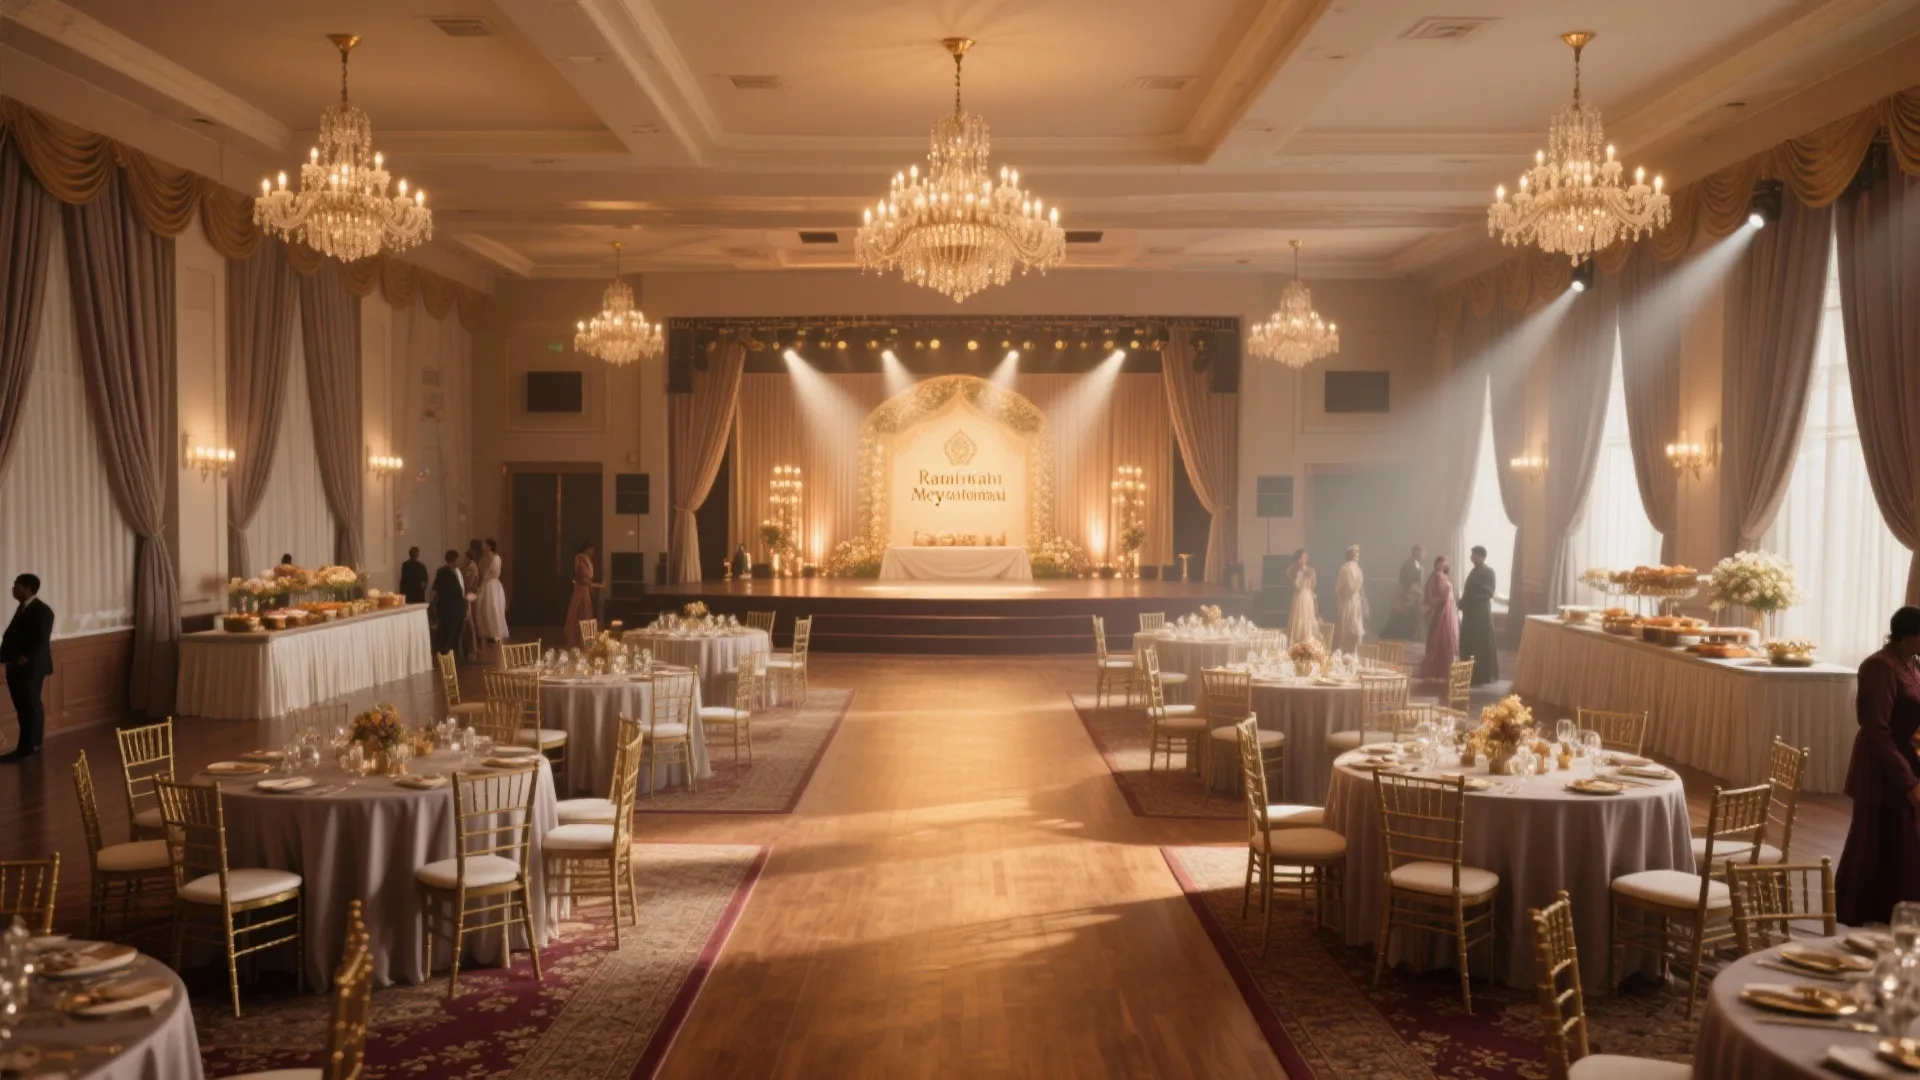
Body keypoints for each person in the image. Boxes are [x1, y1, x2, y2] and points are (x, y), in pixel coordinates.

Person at [1836, 607, 1920, 926]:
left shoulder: (1911, 664)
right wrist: (1908, 781)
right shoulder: (1878, 666)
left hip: (1905, 767)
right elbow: (1876, 729)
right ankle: (1863, 920)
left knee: (1902, 848)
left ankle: (1894, 920)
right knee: (1875, 846)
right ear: (1910, 635)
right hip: (1881, 771)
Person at [1, 574, 55, 762]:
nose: (13, 589)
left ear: (28, 589)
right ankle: (28, 746)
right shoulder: (23, 608)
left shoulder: (43, 611)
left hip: (30, 669)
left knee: (30, 706)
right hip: (16, 667)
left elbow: (41, 640)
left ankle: (29, 747)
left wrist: (23, 658)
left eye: (17, 585)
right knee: (24, 707)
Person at [1459, 545, 1500, 686]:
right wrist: (1461, 603)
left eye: (1474, 555)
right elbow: (1467, 590)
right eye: (1472, 555)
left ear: (1481, 556)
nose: (1472, 557)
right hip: (1469, 614)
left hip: (1481, 615)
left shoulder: (1489, 572)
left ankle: (1483, 676)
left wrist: (1471, 598)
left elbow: (1489, 592)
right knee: (1468, 643)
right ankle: (1468, 674)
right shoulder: (1473, 571)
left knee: (1482, 644)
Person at [1416, 556, 1458, 681]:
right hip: (1444, 607)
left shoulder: (1442, 575)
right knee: (1441, 634)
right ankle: (1439, 667)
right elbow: (1436, 593)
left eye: (1446, 561)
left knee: (1447, 635)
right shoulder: (1437, 576)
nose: (1444, 564)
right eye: (1442, 562)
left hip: (1448, 607)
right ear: (1437, 563)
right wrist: (1445, 599)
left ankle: (1444, 666)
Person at [1381, 544, 1425, 641]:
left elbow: (1419, 582)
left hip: (1415, 594)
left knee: (1414, 616)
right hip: (1407, 593)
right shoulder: (1407, 565)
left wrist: (1418, 592)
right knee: (1402, 616)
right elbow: (1403, 581)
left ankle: (1410, 636)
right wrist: (1406, 594)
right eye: (1418, 553)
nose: (1420, 556)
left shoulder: (1419, 566)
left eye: (1421, 554)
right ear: (1413, 553)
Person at [430, 550, 468, 657]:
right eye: (458, 559)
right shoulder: (447, 573)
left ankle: (449, 650)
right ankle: (447, 650)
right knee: (453, 627)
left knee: (451, 628)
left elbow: (435, 588)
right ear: (455, 560)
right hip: (451, 608)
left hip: (448, 607)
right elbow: (454, 591)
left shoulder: (444, 571)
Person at [564, 541, 601, 647]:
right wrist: (590, 583)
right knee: (576, 609)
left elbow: (588, 574)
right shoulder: (580, 558)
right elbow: (581, 573)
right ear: (586, 548)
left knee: (586, 610)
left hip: (585, 586)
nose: (592, 551)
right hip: (580, 586)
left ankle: (586, 635)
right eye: (591, 549)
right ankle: (570, 633)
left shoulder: (587, 559)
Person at [473, 538, 509, 647]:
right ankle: (485, 632)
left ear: (489, 546)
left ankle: (496, 632)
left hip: (493, 585)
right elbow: (479, 571)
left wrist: (486, 577)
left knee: (493, 607)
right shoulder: (483, 558)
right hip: (484, 585)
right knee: (484, 608)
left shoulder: (496, 558)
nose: (483, 547)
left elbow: (495, 573)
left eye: (485, 545)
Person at [1333, 545, 1367, 653]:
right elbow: (1342, 587)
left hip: (1353, 601)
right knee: (1350, 626)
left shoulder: (1354, 568)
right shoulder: (1347, 569)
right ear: (1352, 555)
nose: (1358, 556)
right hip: (1350, 601)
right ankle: (1350, 652)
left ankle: (1353, 652)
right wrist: (1342, 599)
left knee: (1352, 626)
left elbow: (1338, 588)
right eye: (1356, 554)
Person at [1287, 549, 1319, 646]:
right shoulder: (1295, 571)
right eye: (1302, 557)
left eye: (1306, 556)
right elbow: (1296, 585)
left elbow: (1313, 585)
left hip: (1308, 596)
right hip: (1300, 596)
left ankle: (1308, 641)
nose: (1305, 558)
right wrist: (1301, 577)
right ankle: (1298, 642)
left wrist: (1310, 591)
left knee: (1308, 617)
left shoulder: (1311, 570)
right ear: (1298, 559)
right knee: (1299, 617)